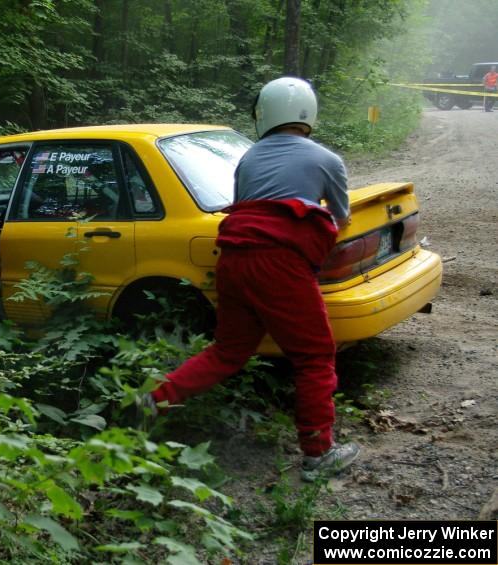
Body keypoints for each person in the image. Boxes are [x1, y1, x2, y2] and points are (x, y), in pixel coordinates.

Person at [140, 77, 359, 482]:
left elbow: (247, 208)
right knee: (313, 356)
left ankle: (154, 398)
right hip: (280, 266)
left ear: (264, 116)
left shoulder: (249, 158)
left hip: (234, 260)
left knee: (228, 352)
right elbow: (341, 220)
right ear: (308, 113)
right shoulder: (327, 159)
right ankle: (317, 454)